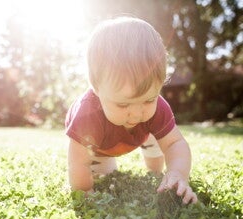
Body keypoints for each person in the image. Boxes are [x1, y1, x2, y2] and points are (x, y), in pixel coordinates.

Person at [65, 16, 197, 204]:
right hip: (98, 146)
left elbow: (174, 143)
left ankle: (155, 172)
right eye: (123, 104)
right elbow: (78, 162)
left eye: (149, 99)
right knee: (103, 174)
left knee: (157, 136)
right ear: (97, 88)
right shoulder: (87, 115)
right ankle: (105, 166)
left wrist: (178, 173)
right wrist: (85, 191)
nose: (136, 114)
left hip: (143, 133)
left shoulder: (157, 108)